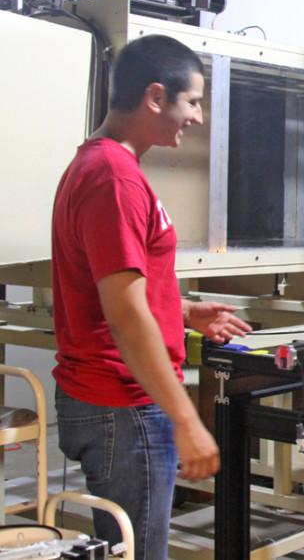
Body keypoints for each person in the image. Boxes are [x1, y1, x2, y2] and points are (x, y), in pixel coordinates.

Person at [51, 34, 252, 558]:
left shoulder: (101, 167)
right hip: (125, 406)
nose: (199, 117)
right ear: (155, 97)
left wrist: (182, 311)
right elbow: (123, 313)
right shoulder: (113, 177)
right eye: (193, 102)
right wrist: (187, 420)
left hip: (112, 402)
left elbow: (115, 290)